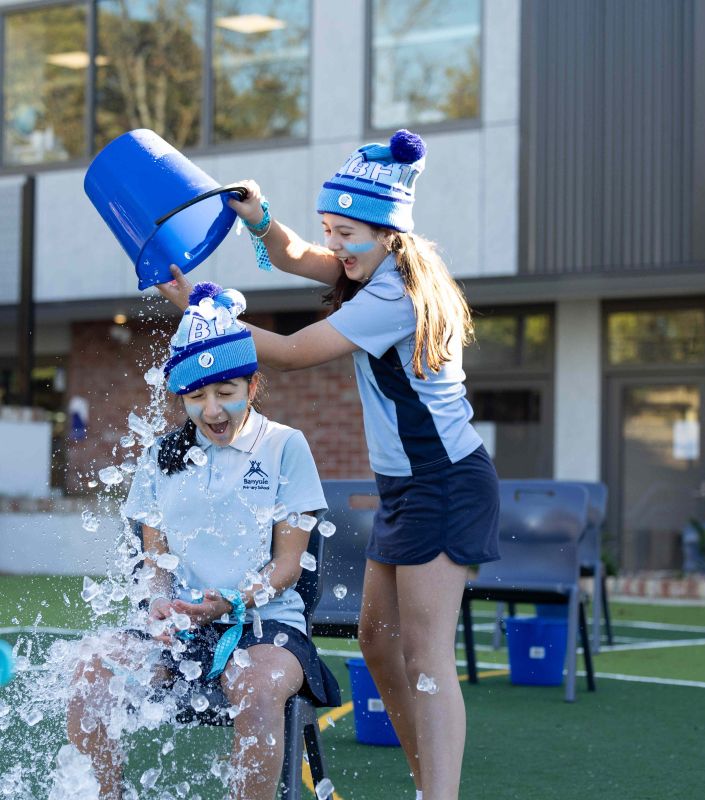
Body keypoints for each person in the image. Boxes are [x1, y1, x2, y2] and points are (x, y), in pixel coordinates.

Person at [159, 129, 500, 800]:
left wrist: (206, 314)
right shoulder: (370, 268)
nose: (336, 246)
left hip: (445, 483)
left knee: (425, 656)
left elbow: (289, 354)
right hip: (407, 489)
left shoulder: (393, 294)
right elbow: (295, 256)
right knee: (377, 641)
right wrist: (258, 217)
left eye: (346, 234)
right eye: (329, 230)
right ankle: (427, 783)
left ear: (388, 233)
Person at [66, 282, 339, 800]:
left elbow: (288, 566)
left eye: (226, 393)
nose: (212, 411)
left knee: (256, 690)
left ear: (252, 386)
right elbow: (155, 559)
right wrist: (158, 602)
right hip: (181, 626)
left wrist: (231, 601)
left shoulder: (285, 446)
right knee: (89, 670)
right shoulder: (161, 456)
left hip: (264, 624)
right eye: (196, 397)